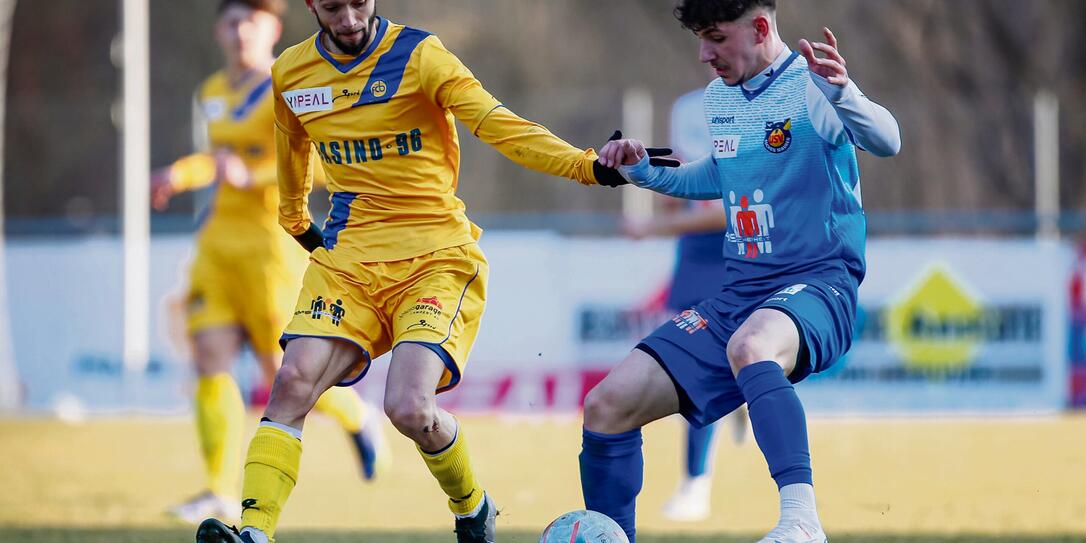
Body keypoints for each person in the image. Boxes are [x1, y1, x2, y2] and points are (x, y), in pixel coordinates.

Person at [193, 1, 632, 542]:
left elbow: (497, 126)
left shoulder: (420, 56)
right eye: (334, 7)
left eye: (360, 3)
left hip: (434, 259)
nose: (351, 18)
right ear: (311, 6)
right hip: (349, 260)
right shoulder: (291, 73)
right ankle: (254, 533)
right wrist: (307, 233)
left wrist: (588, 167)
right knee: (291, 382)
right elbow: (293, 174)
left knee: (408, 407)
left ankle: (472, 507)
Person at [583, 0, 901, 541]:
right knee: (606, 405)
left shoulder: (812, 87)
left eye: (715, 38)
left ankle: (802, 524)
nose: (705, 54)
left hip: (820, 284)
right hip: (740, 293)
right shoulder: (719, 99)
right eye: (700, 40)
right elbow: (717, 176)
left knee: (752, 347)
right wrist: (641, 171)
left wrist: (846, 94)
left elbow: (888, 140)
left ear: (759, 27)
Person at [151, 0, 385, 524]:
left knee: (284, 374)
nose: (239, 34)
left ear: (273, 28)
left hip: (270, 250)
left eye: (250, 23)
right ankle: (216, 489)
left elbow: (326, 166)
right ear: (218, 30)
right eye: (231, 23)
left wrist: (253, 179)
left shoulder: (294, 86)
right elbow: (217, 162)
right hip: (217, 246)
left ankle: (356, 416)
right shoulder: (211, 91)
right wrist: (179, 175)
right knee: (208, 358)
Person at [623, 83, 750, 523]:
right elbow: (679, 200)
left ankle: (699, 477)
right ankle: (695, 483)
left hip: (743, 255)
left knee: (731, 363)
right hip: (695, 261)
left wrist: (649, 230)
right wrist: (658, 179)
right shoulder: (688, 108)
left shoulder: (764, 106)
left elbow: (732, 207)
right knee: (699, 370)